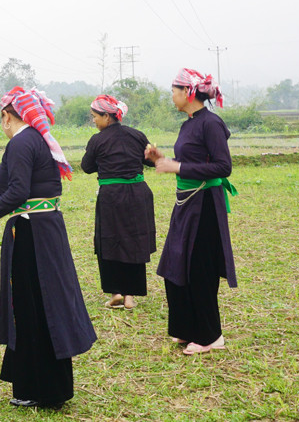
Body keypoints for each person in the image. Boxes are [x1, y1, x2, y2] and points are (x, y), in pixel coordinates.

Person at [0, 87, 96, 408]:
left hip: (33, 235)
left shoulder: (21, 141)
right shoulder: (36, 140)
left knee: (35, 306)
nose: (2, 124)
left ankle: (44, 390)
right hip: (43, 229)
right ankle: (38, 386)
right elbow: (21, 195)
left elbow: (19, 193)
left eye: (1, 119)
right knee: (38, 303)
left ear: (7, 115)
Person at [145, 68, 238, 355]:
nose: (171, 96)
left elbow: (223, 167)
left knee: (200, 269)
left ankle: (211, 336)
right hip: (186, 204)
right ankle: (186, 328)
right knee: (177, 264)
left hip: (206, 204)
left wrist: (179, 167)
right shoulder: (189, 124)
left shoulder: (211, 123)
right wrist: (161, 159)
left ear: (188, 93)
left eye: (174, 91)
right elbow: (186, 160)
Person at [81, 94, 156, 310]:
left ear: (107, 116)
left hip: (111, 196)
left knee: (110, 241)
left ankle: (116, 293)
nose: (93, 120)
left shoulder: (97, 140)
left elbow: (87, 167)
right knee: (133, 241)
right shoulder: (137, 135)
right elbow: (150, 162)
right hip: (137, 194)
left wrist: (106, 163)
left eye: (95, 116)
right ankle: (130, 296)